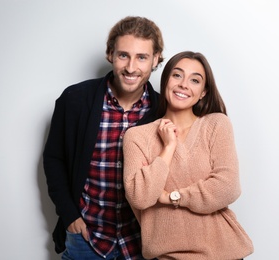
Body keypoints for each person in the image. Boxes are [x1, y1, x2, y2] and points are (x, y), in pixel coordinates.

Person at [43, 16, 164, 260]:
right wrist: (70, 216)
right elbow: (54, 158)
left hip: (143, 242)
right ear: (110, 54)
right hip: (88, 238)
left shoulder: (163, 109)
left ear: (156, 59)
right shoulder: (75, 99)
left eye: (141, 57)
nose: (131, 67)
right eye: (123, 55)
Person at [123, 51, 254, 260]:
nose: (184, 84)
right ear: (166, 81)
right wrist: (168, 148)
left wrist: (172, 197)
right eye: (177, 75)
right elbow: (140, 197)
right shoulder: (137, 137)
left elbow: (228, 187)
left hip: (225, 254)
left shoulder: (216, 125)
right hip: (169, 256)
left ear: (203, 92)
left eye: (195, 80)